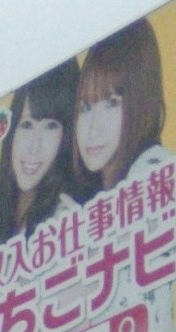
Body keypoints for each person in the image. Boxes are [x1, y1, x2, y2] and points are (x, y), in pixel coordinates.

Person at [0, 59, 79, 252]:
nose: (34, 147)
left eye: (51, 127)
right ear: (11, 132)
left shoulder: (66, 218)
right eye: (27, 125)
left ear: (66, 139)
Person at [66, 15, 168, 202]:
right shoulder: (89, 196)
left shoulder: (153, 169)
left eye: (112, 103)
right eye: (86, 107)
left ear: (142, 101)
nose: (93, 129)